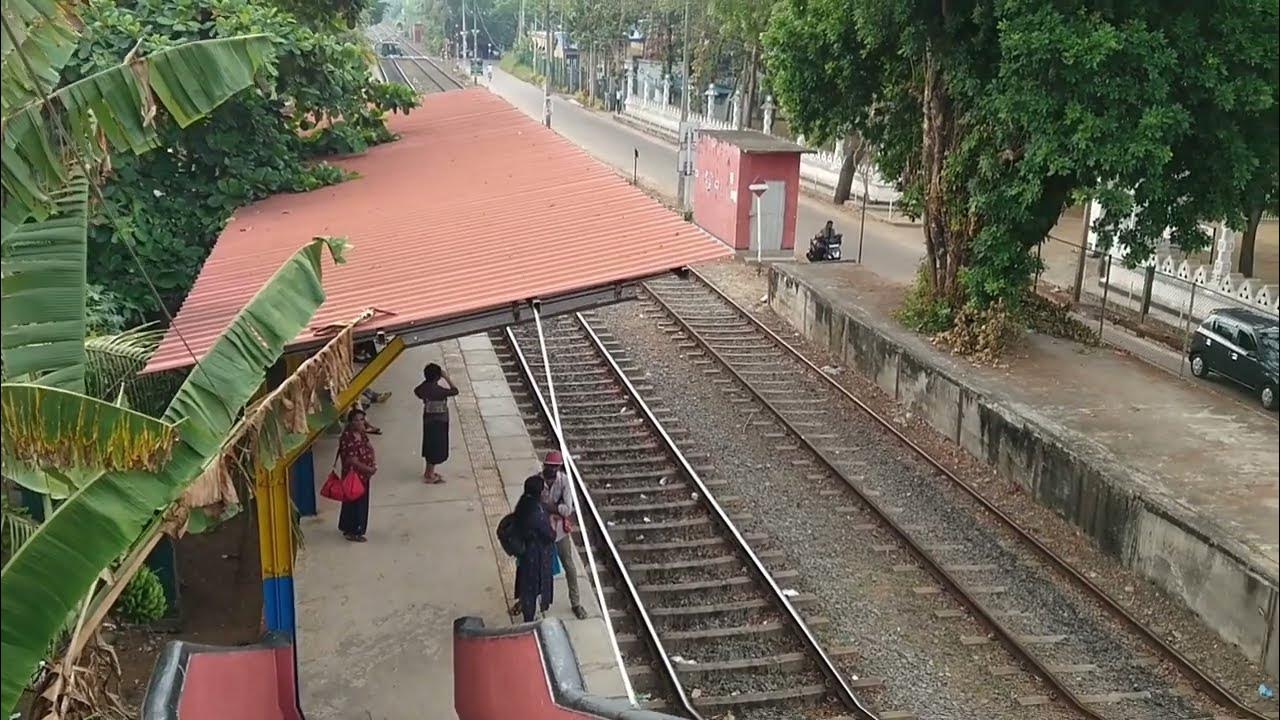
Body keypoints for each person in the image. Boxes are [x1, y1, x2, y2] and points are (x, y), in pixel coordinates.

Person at [540, 451, 588, 619]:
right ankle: (532, 600)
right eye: (548, 466)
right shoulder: (537, 481)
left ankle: (576, 603)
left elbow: (568, 509)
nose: (551, 470)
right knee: (539, 566)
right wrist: (556, 507)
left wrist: (549, 507)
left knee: (569, 565)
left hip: (559, 531)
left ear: (559, 468)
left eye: (554, 467)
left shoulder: (565, 482)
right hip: (542, 530)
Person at [513, 475, 556, 622]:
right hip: (537, 556)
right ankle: (531, 619)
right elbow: (549, 535)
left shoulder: (524, 504)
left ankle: (527, 613)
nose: (545, 491)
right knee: (534, 588)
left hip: (527, 554)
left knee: (527, 586)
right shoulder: (537, 512)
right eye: (543, 489)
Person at [414, 362, 459, 483]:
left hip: (428, 420)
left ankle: (429, 471)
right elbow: (455, 391)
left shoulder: (424, 388)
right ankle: (430, 475)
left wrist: (427, 381)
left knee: (429, 445)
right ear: (437, 377)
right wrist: (446, 377)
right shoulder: (439, 391)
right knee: (437, 447)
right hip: (440, 421)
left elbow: (416, 391)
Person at [337, 408, 377, 542]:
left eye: (362, 419)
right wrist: (367, 469)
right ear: (350, 422)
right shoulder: (348, 438)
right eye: (356, 420)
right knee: (356, 504)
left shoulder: (362, 434)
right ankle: (354, 531)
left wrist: (372, 463)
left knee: (355, 501)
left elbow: (369, 446)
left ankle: (347, 527)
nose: (360, 423)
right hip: (354, 476)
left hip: (364, 475)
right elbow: (351, 460)